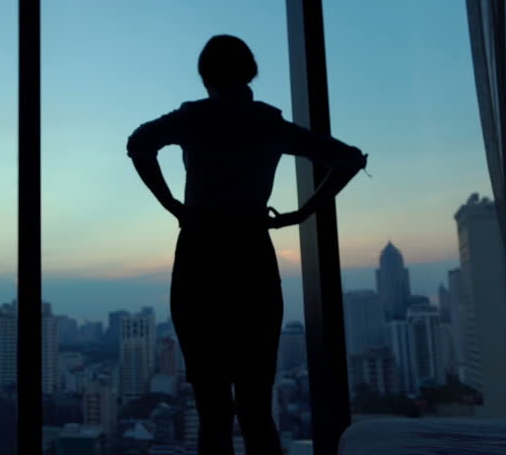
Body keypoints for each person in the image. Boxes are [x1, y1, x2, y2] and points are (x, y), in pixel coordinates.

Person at [126, 35, 367, 455]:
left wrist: (174, 207)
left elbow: (139, 144)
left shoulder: (193, 119)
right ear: (251, 73)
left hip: (200, 255)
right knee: (256, 408)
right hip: (252, 256)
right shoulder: (268, 124)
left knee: (212, 410)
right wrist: (302, 213)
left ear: (205, 77)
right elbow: (348, 158)